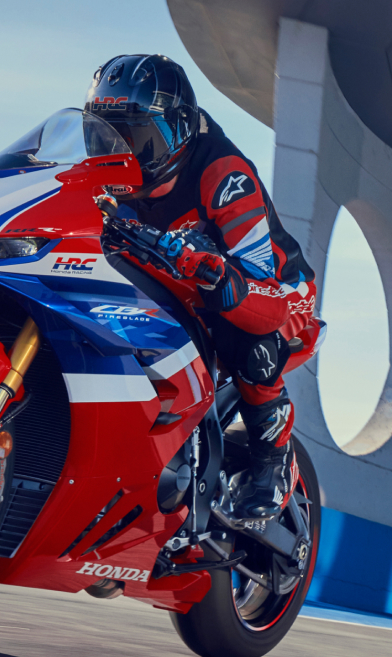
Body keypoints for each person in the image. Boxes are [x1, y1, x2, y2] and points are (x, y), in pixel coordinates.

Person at [84, 54, 318, 521]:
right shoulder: (109, 179)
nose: (121, 153)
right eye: (106, 137)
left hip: (277, 290)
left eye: (136, 139)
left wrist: (217, 274)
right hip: (177, 279)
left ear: (177, 131)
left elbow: (264, 289)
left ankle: (273, 459)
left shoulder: (223, 173)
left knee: (242, 329)